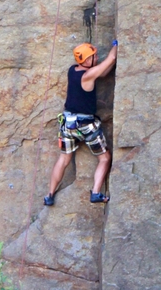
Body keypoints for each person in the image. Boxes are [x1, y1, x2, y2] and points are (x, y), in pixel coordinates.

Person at [44, 40, 117, 207]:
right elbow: (111, 59)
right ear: (86, 60)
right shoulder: (88, 75)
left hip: (67, 122)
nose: (97, 58)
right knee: (104, 158)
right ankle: (96, 193)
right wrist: (116, 45)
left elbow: (102, 73)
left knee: (64, 159)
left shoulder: (73, 70)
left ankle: (49, 195)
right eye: (94, 56)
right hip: (85, 124)